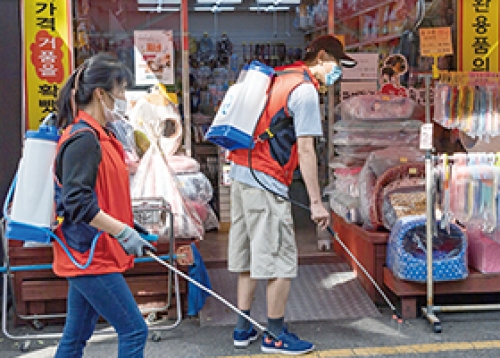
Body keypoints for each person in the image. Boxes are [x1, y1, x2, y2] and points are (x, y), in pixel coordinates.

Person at [227, 35, 357, 355]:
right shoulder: (306, 90)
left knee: (249, 257)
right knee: (280, 261)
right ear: (323, 57)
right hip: (267, 180)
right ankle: (273, 336)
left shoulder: (280, 76)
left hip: (242, 174)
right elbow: (308, 151)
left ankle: (242, 329)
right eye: (337, 65)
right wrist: (316, 202)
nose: (338, 73)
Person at [53, 53, 156, 358]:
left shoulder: (101, 136)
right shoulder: (84, 139)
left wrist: (130, 226)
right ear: (101, 93)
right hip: (90, 254)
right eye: (121, 91)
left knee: (75, 338)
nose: (124, 99)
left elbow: (100, 194)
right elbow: (78, 202)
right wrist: (122, 231)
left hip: (89, 252)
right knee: (134, 330)